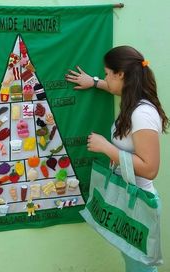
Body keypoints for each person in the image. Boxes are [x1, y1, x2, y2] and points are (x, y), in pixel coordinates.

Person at [65, 45, 169, 272]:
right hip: (130, 200)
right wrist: (94, 82)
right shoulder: (133, 100)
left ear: (120, 74)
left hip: (139, 202)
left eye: (106, 73)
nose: (105, 78)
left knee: (141, 268)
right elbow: (115, 89)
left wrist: (106, 148)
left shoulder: (141, 113)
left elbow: (150, 169)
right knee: (132, 263)